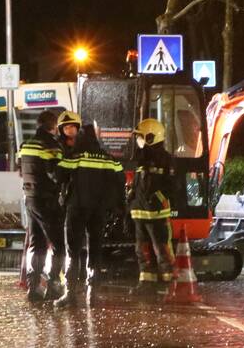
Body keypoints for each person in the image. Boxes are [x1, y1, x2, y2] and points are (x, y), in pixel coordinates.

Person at [54, 123, 125, 306]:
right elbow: (120, 180)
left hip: (77, 208)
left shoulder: (75, 156)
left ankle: (70, 294)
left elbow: (58, 175)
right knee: (95, 249)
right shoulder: (109, 158)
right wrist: (116, 205)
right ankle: (92, 294)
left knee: (73, 250)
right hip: (99, 210)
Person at [19, 109, 66, 301]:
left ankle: (34, 287)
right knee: (58, 245)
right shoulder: (51, 145)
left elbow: (20, 169)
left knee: (36, 244)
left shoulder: (26, 144)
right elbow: (57, 174)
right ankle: (54, 284)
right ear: (54, 126)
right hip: (47, 199)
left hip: (30, 198)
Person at [128, 118, 176, 296]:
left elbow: (173, 186)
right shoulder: (141, 159)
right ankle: (146, 283)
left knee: (161, 249)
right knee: (141, 250)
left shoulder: (166, 159)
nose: (138, 140)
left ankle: (168, 284)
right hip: (140, 213)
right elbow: (137, 186)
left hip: (157, 213)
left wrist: (158, 198)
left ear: (150, 137)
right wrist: (130, 205)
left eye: (141, 137)